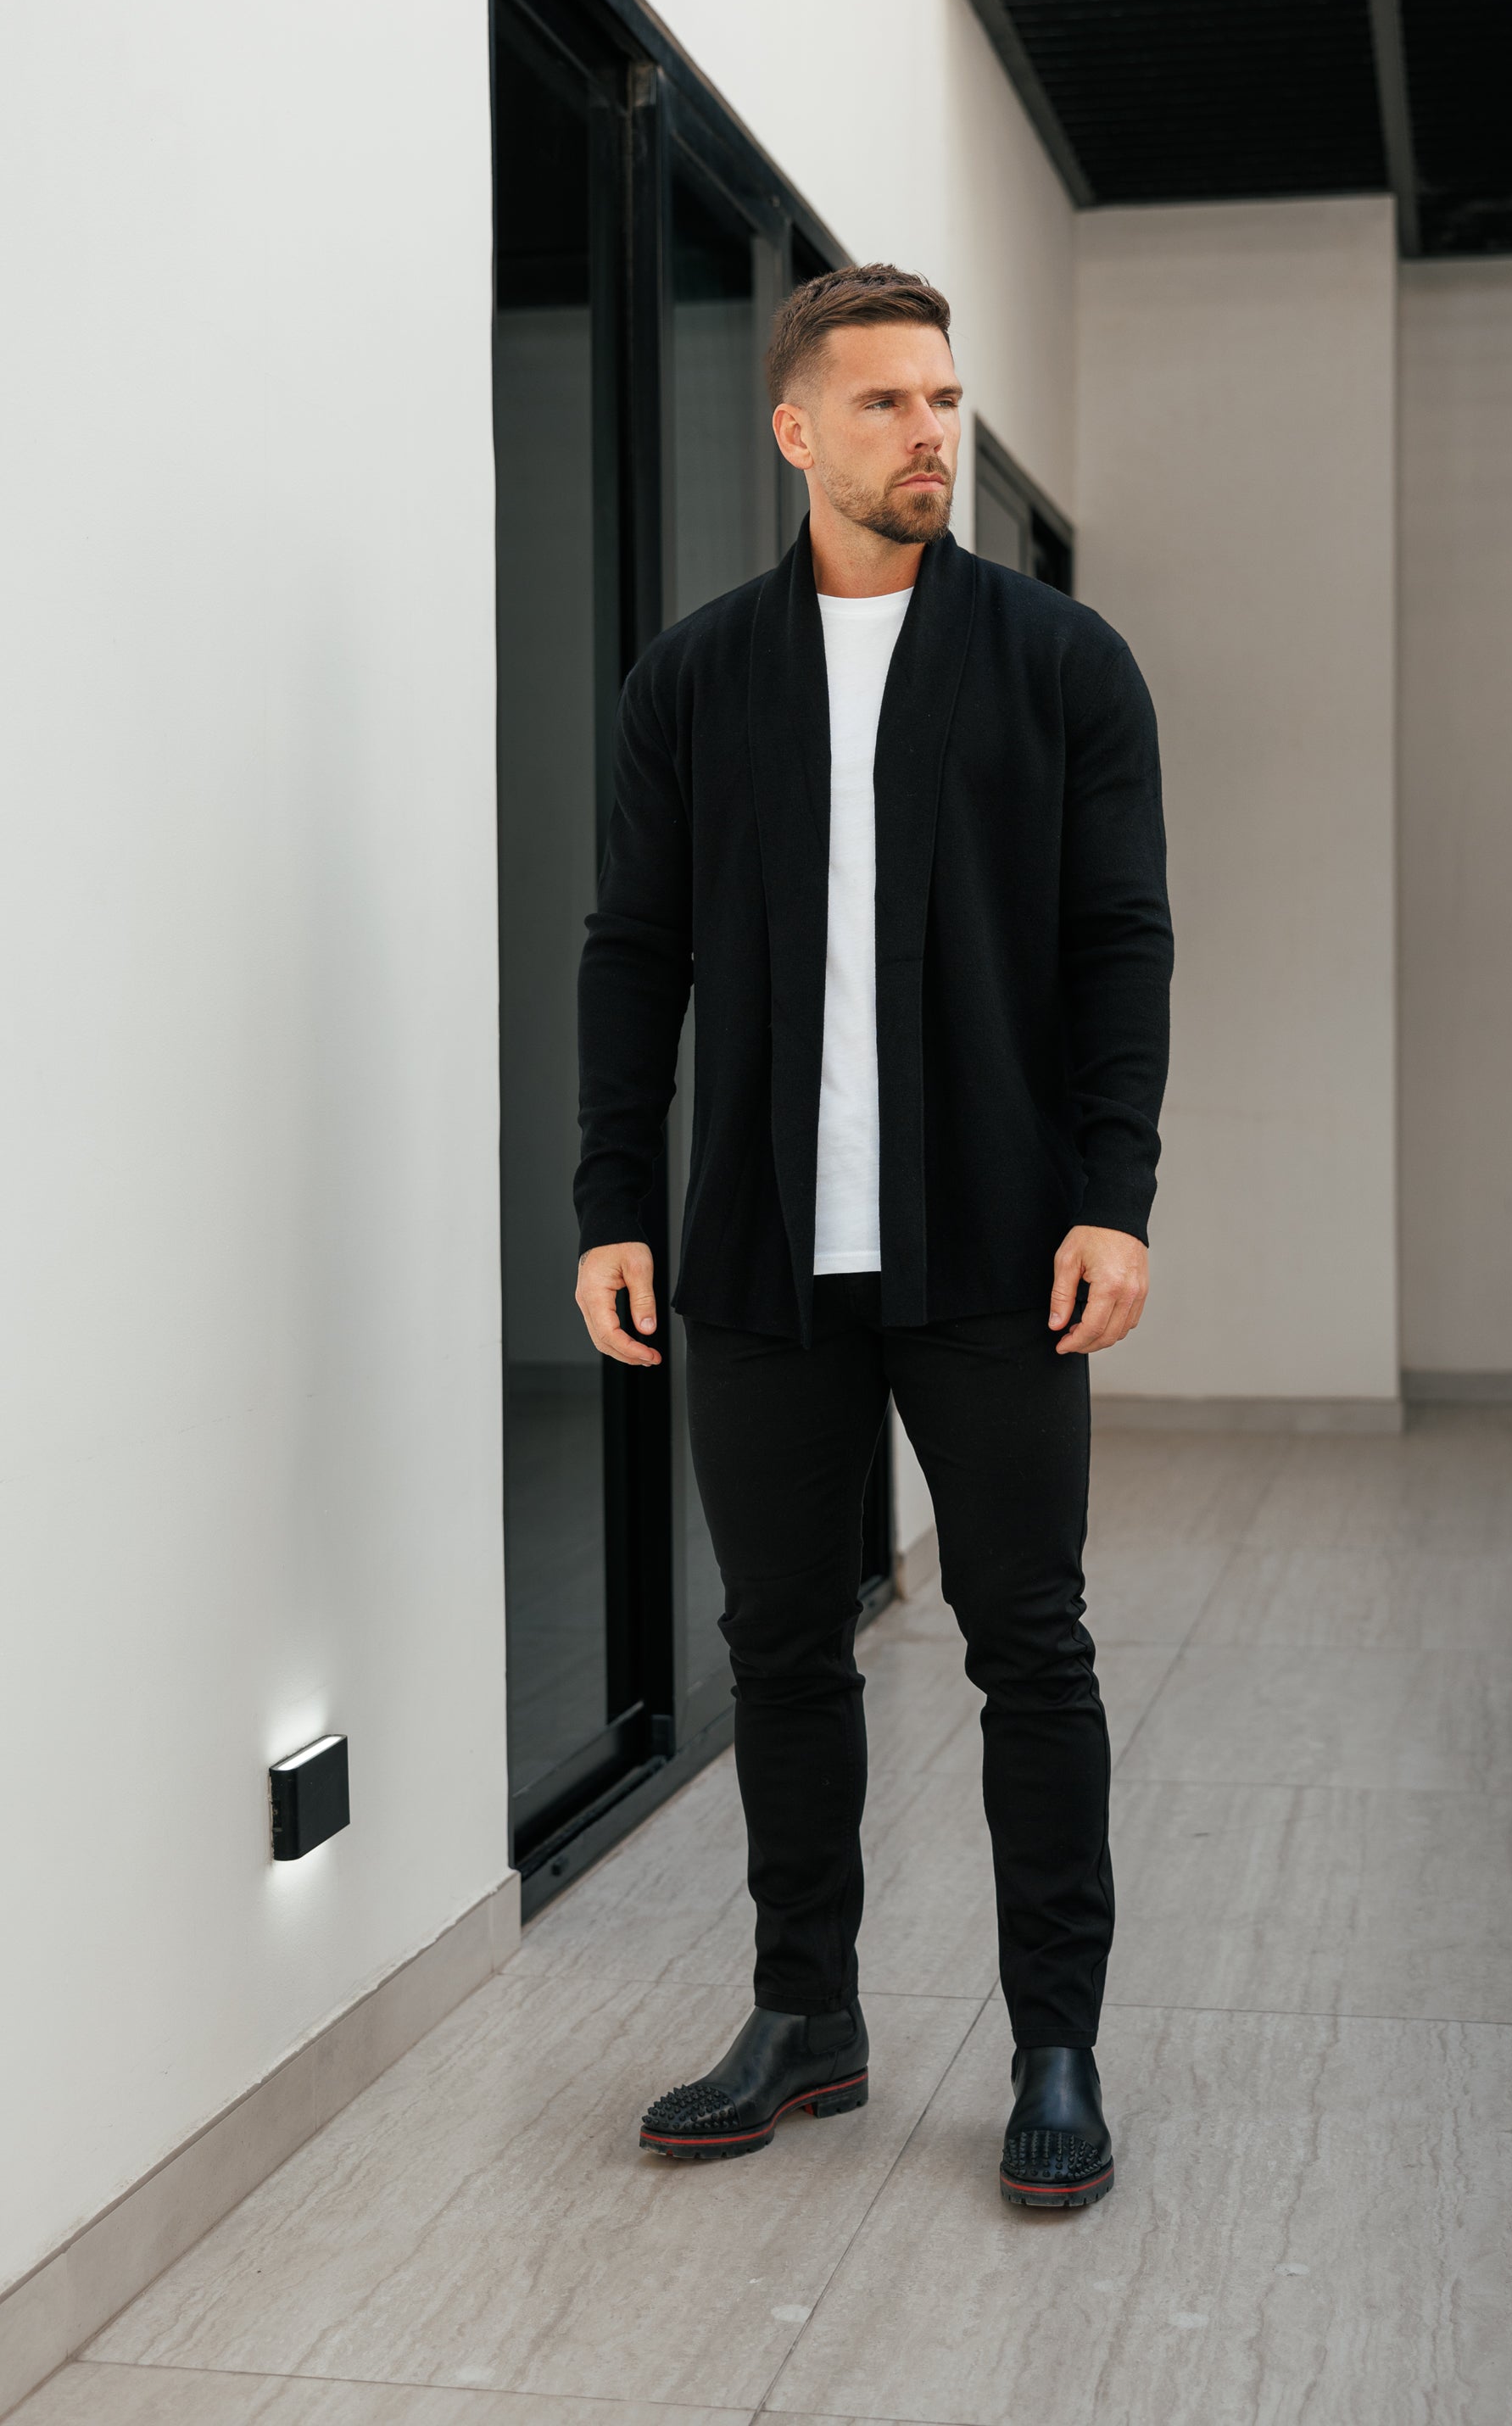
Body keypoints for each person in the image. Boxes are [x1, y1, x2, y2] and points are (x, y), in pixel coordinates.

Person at [574, 263, 1172, 2211]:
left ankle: (1056, 2047)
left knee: (1032, 1647)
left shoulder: (1059, 667)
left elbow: (1117, 947)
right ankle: (804, 2013)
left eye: (945, 398)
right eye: (891, 403)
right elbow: (631, 953)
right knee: (778, 1647)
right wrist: (608, 1202)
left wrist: (1113, 1192)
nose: (933, 433)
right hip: (753, 1253)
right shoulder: (694, 679)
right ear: (797, 431)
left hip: (996, 1249)